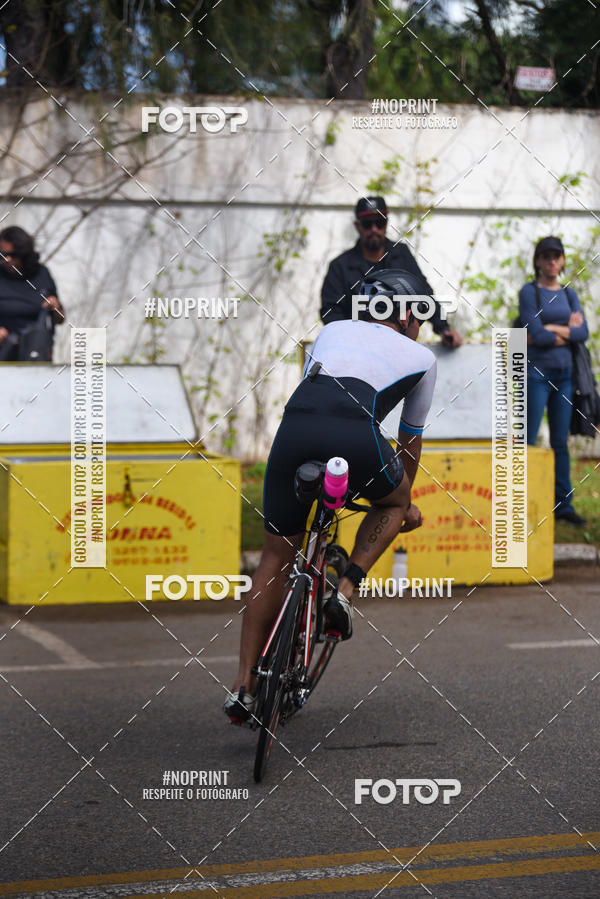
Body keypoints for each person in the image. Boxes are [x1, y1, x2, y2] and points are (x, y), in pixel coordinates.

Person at [225, 268, 437, 721]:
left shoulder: (331, 330)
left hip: (294, 431)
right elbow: (409, 442)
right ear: (402, 315)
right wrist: (403, 501)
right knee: (394, 501)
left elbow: (315, 392)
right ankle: (344, 588)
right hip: (357, 438)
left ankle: (242, 685)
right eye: (419, 315)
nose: (420, 326)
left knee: (273, 556)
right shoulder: (421, 357)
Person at [320, 196, 462, 348]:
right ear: (357, 226)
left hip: (399, 347)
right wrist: (351, 342)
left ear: (386, 222)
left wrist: (444, 329)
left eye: (379, 222)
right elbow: (331, 312)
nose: (374, 229)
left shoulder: (401, 254)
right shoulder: (340, 266)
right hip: (358, 348)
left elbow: (424, 295)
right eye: (368, 224)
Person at [518, 236, 588, 526]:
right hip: (536, 374)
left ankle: (564, 506)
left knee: (560, 442)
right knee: (529, 441)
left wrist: (551, 329)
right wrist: (562, 331)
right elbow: (534, 332)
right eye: (545, 256)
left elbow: (582, 333)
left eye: (556, 256)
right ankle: (524, 502)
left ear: (562, 261)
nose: (551, 261)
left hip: (565, 376)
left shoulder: (570, 294)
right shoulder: (529, 292)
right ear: (537, 260)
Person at [0, 226, 65, 361]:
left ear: (24, 254)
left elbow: (61, 318)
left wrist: (55, 306)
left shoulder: (41, 274)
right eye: (2, 255)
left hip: (34, 352)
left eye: (12, 255)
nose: (7, 260)